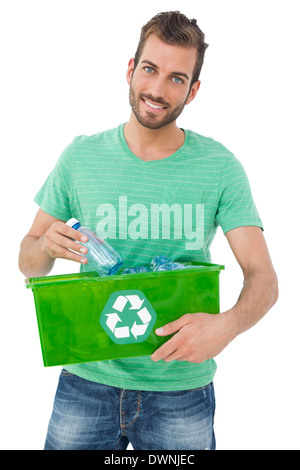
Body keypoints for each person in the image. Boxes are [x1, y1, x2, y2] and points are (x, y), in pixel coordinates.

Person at [18, 11, 278, 450]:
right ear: (130, 69)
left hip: (181, 390)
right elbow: (29, 263)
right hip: (85, 380)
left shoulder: (219, 167)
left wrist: (228, 325)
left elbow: (264, 278)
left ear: (193, 91)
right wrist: (44, 245)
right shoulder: (80, 156)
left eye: (177, 78)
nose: (157, 90)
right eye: (150, 69)